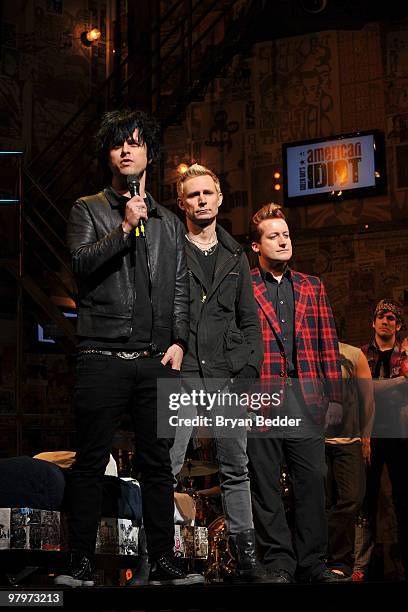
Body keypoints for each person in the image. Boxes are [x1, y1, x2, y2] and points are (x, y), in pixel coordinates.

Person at [55, 109, 203, 587]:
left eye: (136, 143)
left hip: (155, 361)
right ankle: (78, 562)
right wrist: (122, 228)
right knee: (91, 460)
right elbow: (79, 264)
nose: (126, 150)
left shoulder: (167, 223)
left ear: (149, 155)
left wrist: (179, 340)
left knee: (159, 465)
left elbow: (180, 285)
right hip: (102, 356)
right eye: (119, 143)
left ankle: (161, 560)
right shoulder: (88, 209)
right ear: (109, 153)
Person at [169, 163, 267, 582]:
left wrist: (248, 371)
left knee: (235, 467)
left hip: (226, 374)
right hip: (183, 371)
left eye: (207, 193)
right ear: (182, 203)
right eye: (193, 195)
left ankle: (247, 562)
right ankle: (154, 557)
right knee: (166, 463)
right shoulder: (171, 248)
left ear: (220, 199)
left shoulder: (235, 256)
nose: (201, 200)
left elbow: (250, 321)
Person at [247, 203, 350, 583]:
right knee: (266, 484)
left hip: (306, 398)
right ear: (256, 246)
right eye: (273, 236)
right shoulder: (245, 284)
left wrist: (335, 396)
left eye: (286, 234)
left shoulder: (312, 285)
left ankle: (313, 562)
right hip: (261, 399)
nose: (283, 240)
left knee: (311, 481)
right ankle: (278, 563)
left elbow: (328, 341)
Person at [357, 299, 408, 580]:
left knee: (404, 500)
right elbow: (358, 392)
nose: (385, 321)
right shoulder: (362, 355)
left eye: (391, 318)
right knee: (367, 500)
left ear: (398, 325)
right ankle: (366, 567)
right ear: (373, 322)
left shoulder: (406, 354)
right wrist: (398, 384)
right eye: (381, 317)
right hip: (371, 436)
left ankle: (404, 566)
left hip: (401, 435)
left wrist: (374, 388)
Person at [325, 340, 374, 578]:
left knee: (353, 498)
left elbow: (368, 399)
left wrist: (366, 437)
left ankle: (332, 552)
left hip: (349, 440)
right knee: (319, 503)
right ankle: (338, 562)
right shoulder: (306, 352)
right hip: (317, 442)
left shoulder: (353, 354)